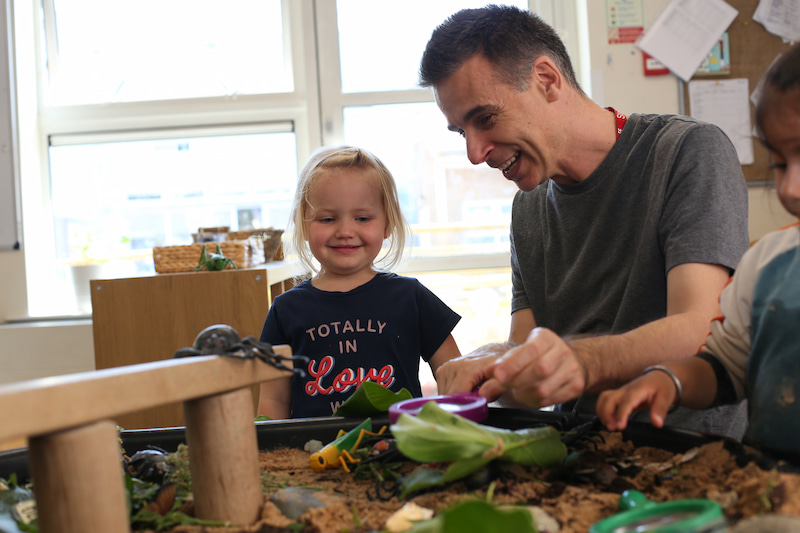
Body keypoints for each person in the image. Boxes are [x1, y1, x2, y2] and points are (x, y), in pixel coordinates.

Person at [419, 4, 749, 438]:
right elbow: (527, 360)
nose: (475, 153)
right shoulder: (529, 208)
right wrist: (491, 363)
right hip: (576, 454)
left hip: (685, 454)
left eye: (485, 118)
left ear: (546, 80)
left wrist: (581, 360)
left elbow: (701, 327)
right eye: (462, 132)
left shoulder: (686, 152)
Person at [597, 44, 800, 457]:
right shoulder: (767, 265)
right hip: (773, 493)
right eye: (779, 164)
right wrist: (668, 379)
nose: (790, 188)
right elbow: (724, 368)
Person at [257, 146, 461, 419]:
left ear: (387, 223)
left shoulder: (411, 297)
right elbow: (273, 399)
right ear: (303, 226)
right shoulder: (284, 310)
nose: (345, 231)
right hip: (313, 454)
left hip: (398, 451)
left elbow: (456, 374)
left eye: (362, 218)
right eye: (328, 219)